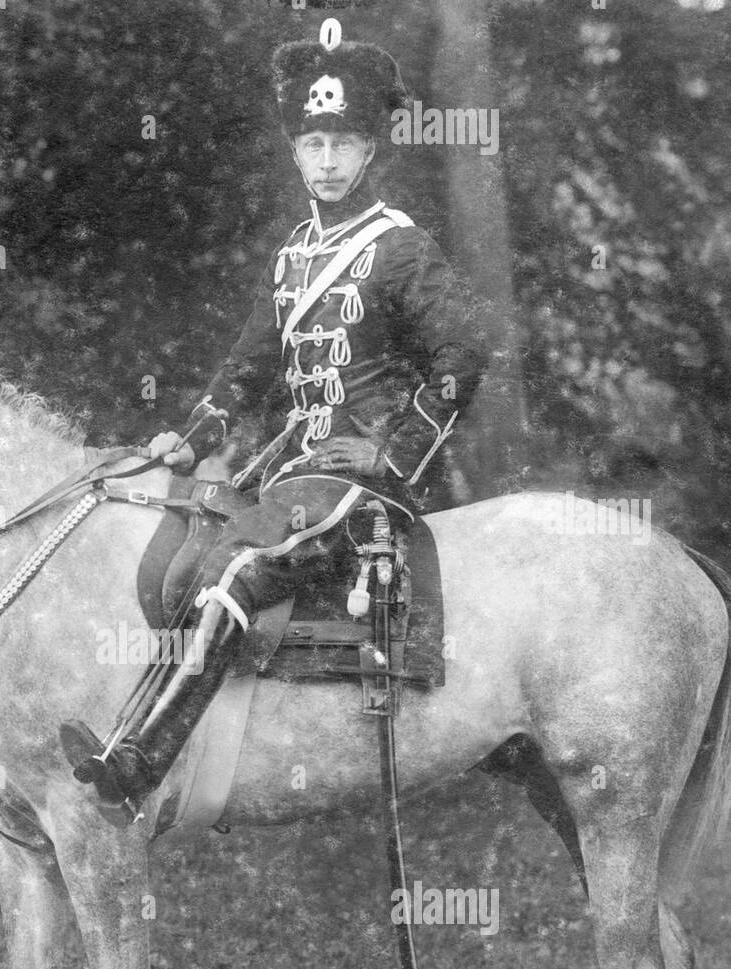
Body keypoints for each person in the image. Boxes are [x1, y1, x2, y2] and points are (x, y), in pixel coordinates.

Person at [63, 26, 488, 813]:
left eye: (344, 143)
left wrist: (396, 460)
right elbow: (249, 368)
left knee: (234, 571)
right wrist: (192, 439)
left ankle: (140, 766)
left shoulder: (398, 248)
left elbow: (464, 351)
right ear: (296, 152)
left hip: (356, 479)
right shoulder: (293, 257)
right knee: (189, 556)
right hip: (292, 471)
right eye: (312, 143)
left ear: (370, 151)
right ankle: (153, 743)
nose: (326, 161)